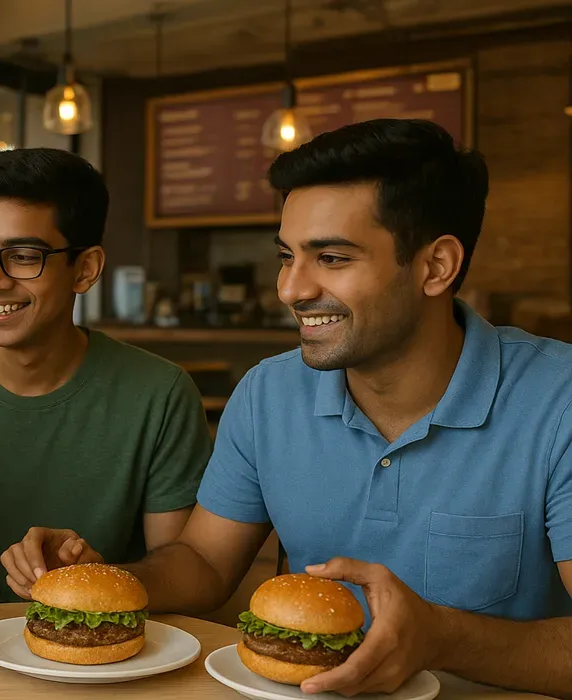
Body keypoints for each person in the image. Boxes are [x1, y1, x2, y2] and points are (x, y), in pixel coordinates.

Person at [29, 120, 572, 698]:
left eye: (332, 258)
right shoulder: (267, 395)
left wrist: (442, 637)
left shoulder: (558, 400)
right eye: (287, 256)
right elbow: (205, 564)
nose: (290, 289)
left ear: (435, 266)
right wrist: (103, 580)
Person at [0, 148, 212, 606]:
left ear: (85, 269)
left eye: (22, 256)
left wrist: (97, 577)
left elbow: (181, 573)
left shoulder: (159, 394)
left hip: (108, 651)